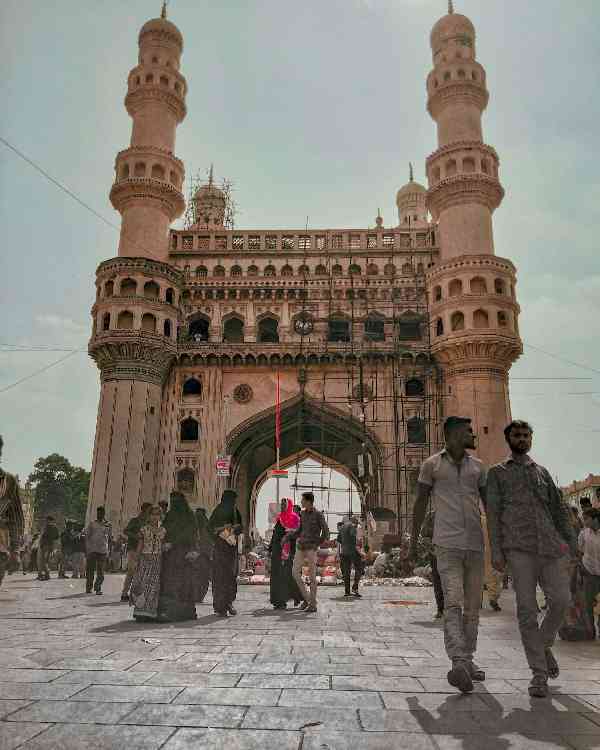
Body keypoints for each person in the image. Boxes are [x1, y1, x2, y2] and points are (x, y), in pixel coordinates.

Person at [486, 420, 576, 698]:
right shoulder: (497, 473)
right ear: (508, 438)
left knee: (561, 600)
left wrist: (571, 542)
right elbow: (493, 513)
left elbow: (558, 509)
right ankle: (538, 673)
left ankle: (544, 643)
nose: (522, 439)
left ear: (531, 439)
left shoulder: (542, 473)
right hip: (518, 546)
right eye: (517, 435)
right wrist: (497, 551)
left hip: (549, 545)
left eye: (526, 435)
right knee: (526, 611)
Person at [409, 416, 487, 695]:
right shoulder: (432, 465)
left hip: (476, 545)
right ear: (454, 435)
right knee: (453, 602)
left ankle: (467, 658)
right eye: (468, 431)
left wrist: (501, 544)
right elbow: (420, 503)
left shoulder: (478, 467)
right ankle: (458, 660)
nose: (473, 435)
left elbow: (490, 505)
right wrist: (413, 541)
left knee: (473, 607)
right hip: (447, 544)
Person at [157, 491, 199, 621]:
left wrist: (173, 543)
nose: (173, 504)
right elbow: (164, 530)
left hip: (183, 554)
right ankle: (170, 612)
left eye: (176, 501)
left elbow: (190, 533)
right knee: (170, 582)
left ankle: (184, 612)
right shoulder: (170, 515)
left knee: (183, 582)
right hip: (170, 554)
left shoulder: (189, 515)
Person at [285, 492, 329, 613]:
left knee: (312, 576)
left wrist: (317, 544)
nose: (301, 502)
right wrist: (288, 536)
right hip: (301, 546)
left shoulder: (318, 515)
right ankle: (308, 598)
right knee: (295, 572)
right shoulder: (302, 514)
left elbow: (326, 532)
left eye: (303, 500)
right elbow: (299, 530)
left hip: (311, 548)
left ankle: (312, 604)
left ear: (308, 501)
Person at [209, 489, 243, 616]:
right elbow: (210, 527)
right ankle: (220, 607)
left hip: (231, 549)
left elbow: (240, 526)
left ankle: (228, 603)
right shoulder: (218, 511)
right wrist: (222, 529)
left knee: (230, 577)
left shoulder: (235, 511)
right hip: (220, 548)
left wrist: (233, 528)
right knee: (219, 578)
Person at [130, 505, 166, 621]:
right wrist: (136, 560)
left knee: (154, 587)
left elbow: (163, 545)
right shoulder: (144, 529)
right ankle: (140, 612)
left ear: (160, 516)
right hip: (145, 559)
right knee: (142, 585)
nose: (155, 517)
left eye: (157, 514)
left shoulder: (163, 530)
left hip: (157, 560)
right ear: (149, 516)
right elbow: (140, 546)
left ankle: (150, 613)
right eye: (153, 514)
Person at [269, 499, 302, 609]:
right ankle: (278, 601)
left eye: (284, 504)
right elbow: (275, 535)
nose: (282, 506)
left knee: (288, 576)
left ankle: (293, 597)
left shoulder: (295, 518)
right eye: (281, 504)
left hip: (289, 553)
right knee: (278, 577)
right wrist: (270, 549)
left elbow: (297, 535)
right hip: (277, 552)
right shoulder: (280, 518)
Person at [121, 503, 152, 602]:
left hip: (144, 550)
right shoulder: (135, 521)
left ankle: (135, 594)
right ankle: (124, 593)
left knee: (141, 573)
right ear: (144, 510)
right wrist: (136, 536)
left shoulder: (149, 522)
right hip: (133, 548)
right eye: (149, 510)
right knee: (131, 571)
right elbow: (126, 531)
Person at [578, 508, 600, 639]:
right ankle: (590, 631)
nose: (584, 521)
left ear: (595, 519)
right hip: (589, 573)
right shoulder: (583, 534)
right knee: (588, 604)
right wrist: (581, 569)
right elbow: (579, 552)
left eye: (586, 518)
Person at [421, 508, 444, 619]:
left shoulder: (456, 514)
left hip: (453, 554)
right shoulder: (431, 516)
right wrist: (432, 548)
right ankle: (441, 608)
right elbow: (424, 534)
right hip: (436, 554)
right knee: (438, 581)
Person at [481, 512, 503, 612]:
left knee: (493, 576)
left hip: (488, 550)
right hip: (488, 550)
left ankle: (490, 599)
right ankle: (492, 599)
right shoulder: (484, 519)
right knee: (494, 576)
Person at [85, 506, 109, 595]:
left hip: (103, 550)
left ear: (104, 514)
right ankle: (88, 588)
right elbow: (87, 537)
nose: (100, 514)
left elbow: (109, 538)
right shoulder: (92, 524)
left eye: (102, 513)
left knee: (101, 572)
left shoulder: (107, 525)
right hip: (92, 550)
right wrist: (87, 548)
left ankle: (98, 588)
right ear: (97, 513)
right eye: (98, 513)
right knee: (90, 570)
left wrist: (108, 550)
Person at [338, 515, 364, 598]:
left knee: (346, 572)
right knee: (359, 568)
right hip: (352, 551)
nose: (357, 525)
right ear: (355, 521)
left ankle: (347, 591)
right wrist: (359, 552)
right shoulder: (353, 526)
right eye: (357, 522)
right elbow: (353, 537)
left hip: (344, 552)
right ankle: (355, 587)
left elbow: (339, 539)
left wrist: (345, 545)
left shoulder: (342, 527)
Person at [192, 507, 213, 603]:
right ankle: (198, 596)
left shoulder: (198, 526)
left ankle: (197, 596)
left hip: (199, 557)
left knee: (199, 577)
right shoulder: (207, 526)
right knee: (201, 578)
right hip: (202, 557)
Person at [37, 516, 59, 581]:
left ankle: (46, 575)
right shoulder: (54, 528)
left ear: (49, 520)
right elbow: (57, 537)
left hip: (45, 546)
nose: (46, 521)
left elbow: (43, 536)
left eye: (47, 520)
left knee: (44, 561)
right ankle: (45, 574)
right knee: (45, 560)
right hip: (49, 545)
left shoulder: (48, 527)